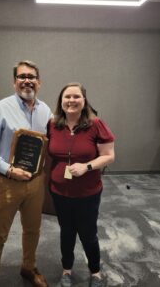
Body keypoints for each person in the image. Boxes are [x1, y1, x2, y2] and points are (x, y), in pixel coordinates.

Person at [0, 60, 52, 287]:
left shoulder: (45, 110)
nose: (27, 80)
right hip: (5, 182)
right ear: (14, 82)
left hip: (35, 182)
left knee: (33, 230)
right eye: (22, 76)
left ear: (39, 82)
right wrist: (9, 169)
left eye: (32, 77)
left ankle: (28, 268)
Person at [47, 82, 115, 287]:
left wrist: (86, 166)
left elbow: (109, 156)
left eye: (76, 97)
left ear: (84, 100)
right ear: (61, 101)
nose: (71, 101)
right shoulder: (53, 124)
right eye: (67, 97)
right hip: (59, 191)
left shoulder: (96, 124)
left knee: (88, 233)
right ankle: (66, 270)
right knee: (66, 231)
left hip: (88, 192)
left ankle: (95, 273)